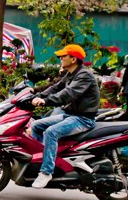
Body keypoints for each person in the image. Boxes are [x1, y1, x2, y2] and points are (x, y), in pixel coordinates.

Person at [30, 44, 100, 189]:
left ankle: (47, 172)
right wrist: (36, 95)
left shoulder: (84, 75)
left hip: (83, 119)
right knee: (36, 125)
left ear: (73, 59)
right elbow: (56, 87)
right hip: (71, 115)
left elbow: (68, 93)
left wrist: (46, 101)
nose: (60, 58)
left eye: (63, 56)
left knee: (51, 132)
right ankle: (41, 160)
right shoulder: (71, 73)